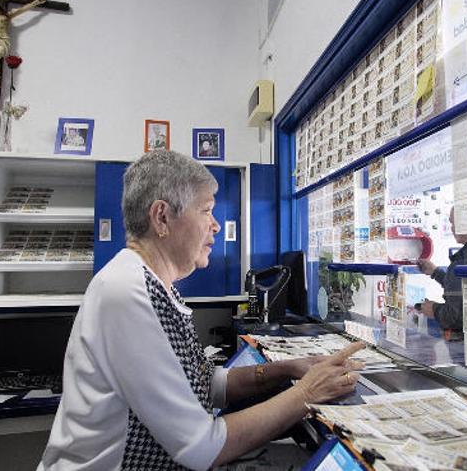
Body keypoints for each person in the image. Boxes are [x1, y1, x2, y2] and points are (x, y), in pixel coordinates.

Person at [39, 150, 363, 470]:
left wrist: (289, 368)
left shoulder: (153, 285)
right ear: (162, 217)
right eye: (206, 210)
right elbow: (202, 447)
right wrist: (307, 392)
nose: (217, 226)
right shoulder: (127, 292)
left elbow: (207, 383)